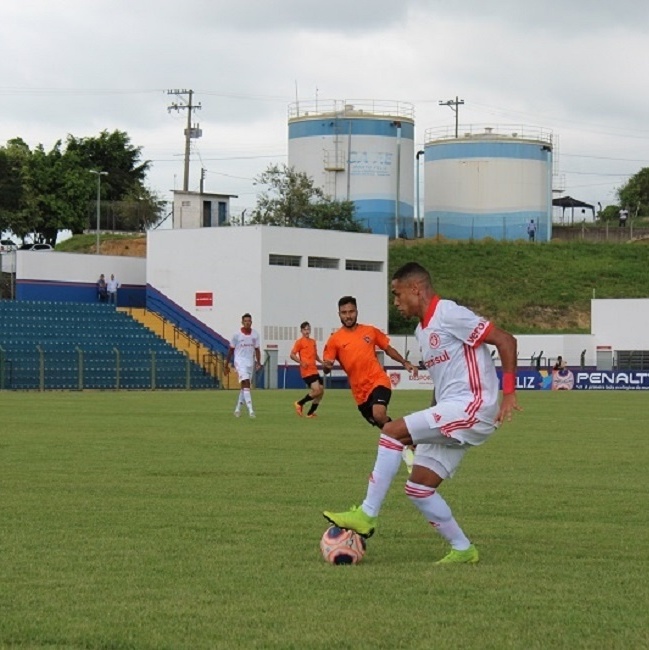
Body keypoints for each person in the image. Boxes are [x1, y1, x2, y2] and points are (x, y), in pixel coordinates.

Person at [323, 263, 521, 565]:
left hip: (474, 405)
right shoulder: (422, 330)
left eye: (397, 294)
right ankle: (463, 549)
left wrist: (509, 394)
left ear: (415, 288)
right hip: (451, 410)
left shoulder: (449, 313)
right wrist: (424, 429)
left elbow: (506, 340)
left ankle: (367, 514)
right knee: (419, 487)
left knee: (390, 433)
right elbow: (442, 385)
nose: (396, 302)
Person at [322, 295, 418, 470]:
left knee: (379, 413)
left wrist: (404, 362)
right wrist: (327, 367)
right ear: (339, 314)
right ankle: (410, 442)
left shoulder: (370, 331)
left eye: (351, 311)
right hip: (360, 393)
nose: (348, 315)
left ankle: (407, 446)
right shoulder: (334, 340)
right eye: (344, 313)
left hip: (378, 380)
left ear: (357, 311)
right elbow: (327, 366)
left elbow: (387, 348)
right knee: (387, 428)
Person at [224, 313, 262, 418]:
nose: (247, 323)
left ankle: (237, 409)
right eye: (245, 321)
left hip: (250, 362)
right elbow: (231, 350)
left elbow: (257, 349)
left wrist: (258, 362)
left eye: (249, 321)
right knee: (245, 383)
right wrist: (226, 364)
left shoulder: (255, 335)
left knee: (245, 386)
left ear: (251, 322)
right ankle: (251, 410)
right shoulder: (237, 335)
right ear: (242, 322)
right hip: (240, 361)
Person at [290, 321, 324, 418]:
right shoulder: (299, 342)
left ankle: (310, 413)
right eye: (304, 329)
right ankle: (300, 403)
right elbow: (292, 354)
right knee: (317, 390)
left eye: (308, 329)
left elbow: (315, 355)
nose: (307, 331)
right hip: (307, 371)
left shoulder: (313, 341)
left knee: (321, 392)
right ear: (301, 331)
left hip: (314, 370)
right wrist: (301, 362)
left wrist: (321, 362)